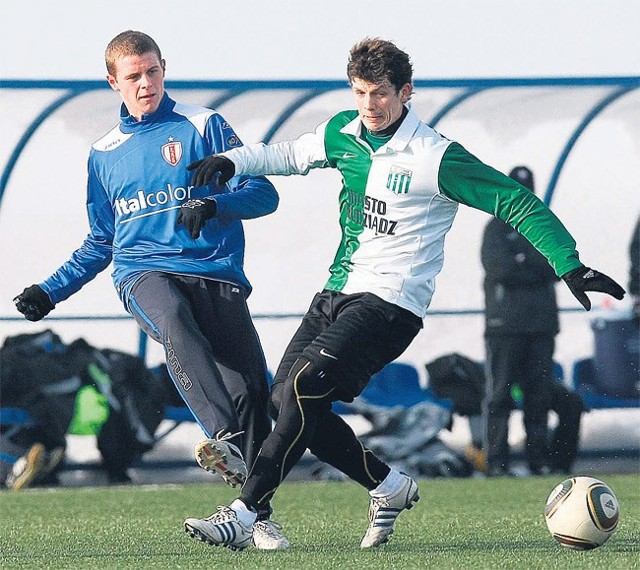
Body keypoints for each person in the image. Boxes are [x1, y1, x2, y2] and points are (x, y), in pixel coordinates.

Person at [181, 37, 626, 551]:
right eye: (359, 93)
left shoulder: (436, 157)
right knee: (286, 401)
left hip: (391, 303)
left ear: (406, 92)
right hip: (336, 290)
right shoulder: (342, 134)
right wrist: (232, 163)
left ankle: (245, 512)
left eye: (380, 94)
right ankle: (387, 486)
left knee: (302, 387)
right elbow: (287, 154)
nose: (369, 106)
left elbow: (515, 201)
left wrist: (569, 265)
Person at [12, 30, 289, 550]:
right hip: (143, 274)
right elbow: (102, 241)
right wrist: (51, 290)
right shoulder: (103, 154)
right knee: (174, 323)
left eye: (152, 72)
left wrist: (215, 204)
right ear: (113, 81)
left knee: (252, 390)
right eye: (133, 76)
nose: (145, 84)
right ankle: (223, 439)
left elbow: (263, 192)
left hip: (216, 273)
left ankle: (255, 515)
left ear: (165, 68)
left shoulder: (204, 125)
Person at [480, 167, 584, 476]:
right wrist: (533, 264)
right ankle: (496, 463)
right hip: (504, 327)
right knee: (499, 395)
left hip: (541, 326)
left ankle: (537, 461)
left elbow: (558, 265)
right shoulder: (495, 228)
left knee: (538, 396)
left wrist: (526, 261)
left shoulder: (544, 225)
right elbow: (500, 269)